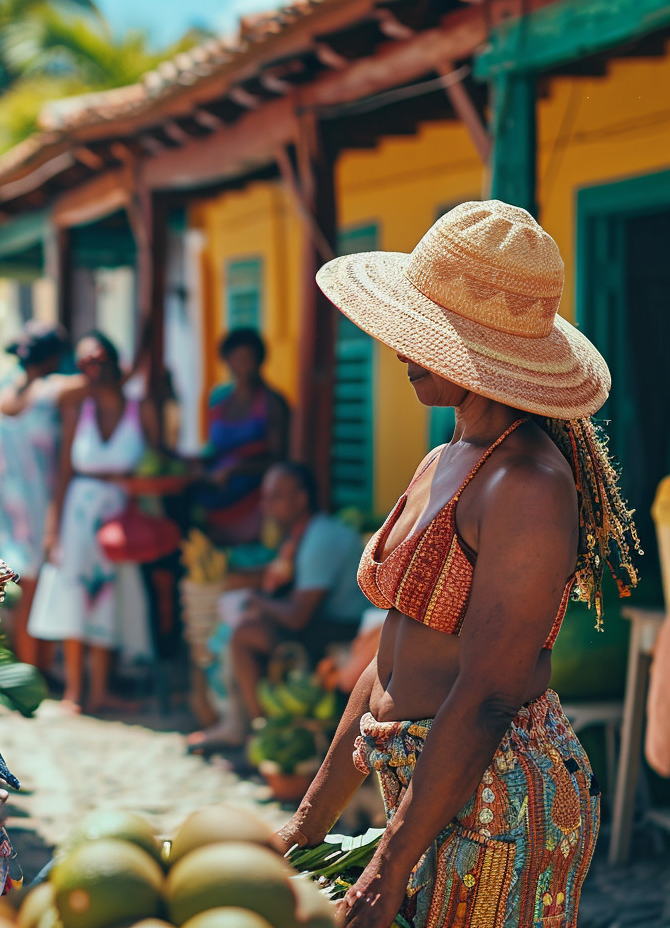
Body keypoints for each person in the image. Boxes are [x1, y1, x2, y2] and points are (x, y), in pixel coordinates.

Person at [269, 201, 640, 928]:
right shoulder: (446, 458)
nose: (402, 349)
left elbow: (486, 697)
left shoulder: (527, 486)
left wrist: (385, 872)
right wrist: (306, 824)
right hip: (428, 791)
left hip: (497, 802)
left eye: (425, 334)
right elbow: (388, 663)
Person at [188, 462, 368, 751]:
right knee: (249, 623)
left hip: (344, 629)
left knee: (246, 634)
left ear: (301, 499)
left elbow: (297, 616)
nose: (266, 506)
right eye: (265, 497)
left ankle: (261, 734)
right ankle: (244, 723)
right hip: (324, 621)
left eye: (275, 497)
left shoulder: (319, 539)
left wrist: (255, 597)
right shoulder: (301, 535)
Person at [28, 332, 159, 713]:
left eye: (100, 360)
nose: (94, 369)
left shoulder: (140, 409)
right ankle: (73, 690)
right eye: (85, 362)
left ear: (117, 362)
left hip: (120, 510)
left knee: (109, 594)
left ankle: (100, 689)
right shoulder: (76, 410)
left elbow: (157, 461)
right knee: (73, 593)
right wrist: (53, 531)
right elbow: (63, 472)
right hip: (79, 510)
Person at [0, 324, 78, 668]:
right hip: (40, 507)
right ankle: (34, 671)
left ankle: (30, 669)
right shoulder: (57, 391)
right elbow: (111, 380)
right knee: (35, 592)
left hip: (3, 507)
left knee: (20, 594)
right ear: (55, 357)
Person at [196, 329, 291, 546]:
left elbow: (279, 459)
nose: (243, 366)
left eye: (248, 359)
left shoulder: (272, 403)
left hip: (255, 496)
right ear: (226, 362)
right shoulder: (217, 400)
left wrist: (234, 470)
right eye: (237, 360)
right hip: (215, 490)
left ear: (259, 361)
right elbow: (213, 448)